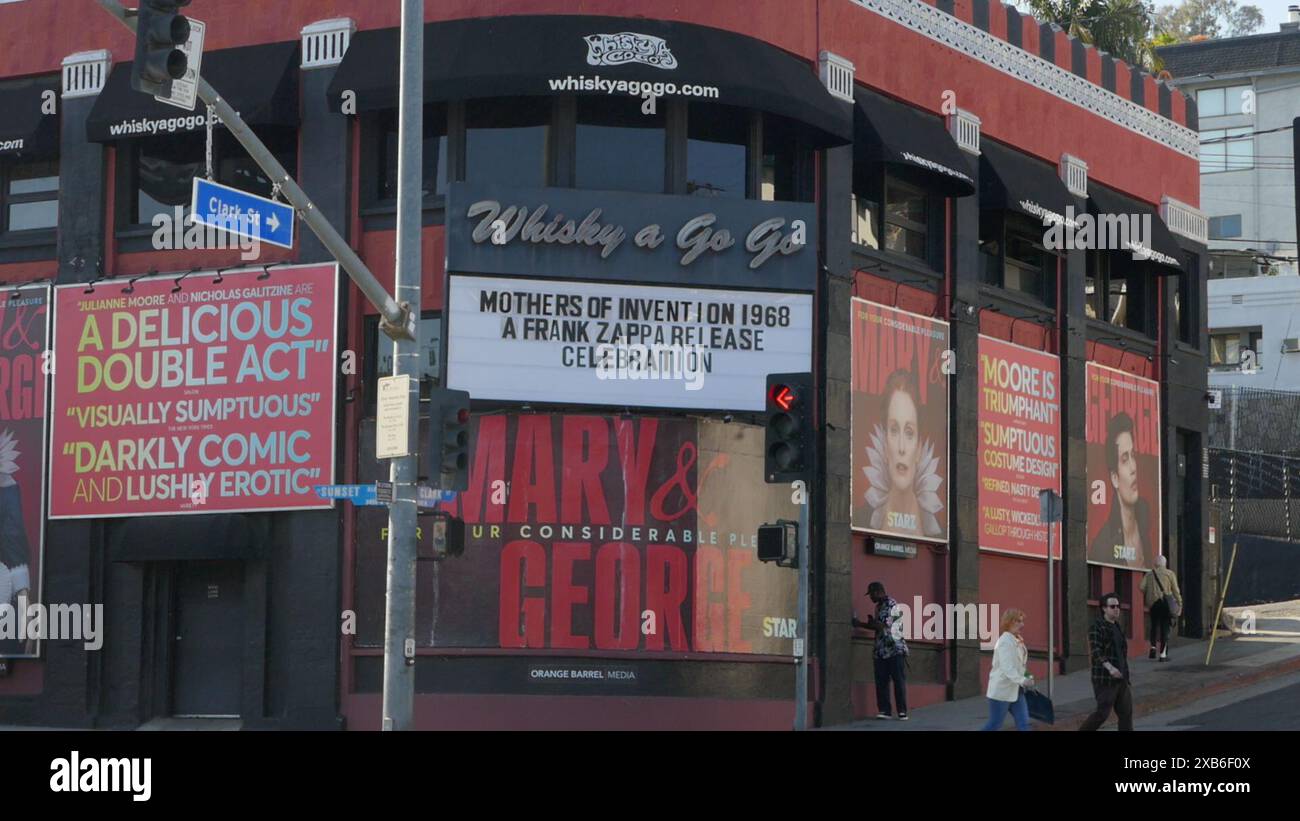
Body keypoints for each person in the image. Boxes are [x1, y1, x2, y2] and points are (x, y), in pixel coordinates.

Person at [863, 369, 943, 538]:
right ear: (884, 445)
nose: (901, 447)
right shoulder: (861, 522)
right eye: (893, 430)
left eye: (909, 432)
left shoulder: (937, 535)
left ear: (919, 449)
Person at [1089, 412, 1152, 568]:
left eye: (1133, 455)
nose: (1133, 467)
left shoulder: (1146, 521)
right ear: (1114, 478)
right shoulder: (1102, 545)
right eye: (1125, 459)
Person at [853, 581, 909, 720]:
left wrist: (872, 624)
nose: (870, 598)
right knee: (881, 681)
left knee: (898, 681)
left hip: (894, 649)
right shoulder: (879, 606)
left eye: (871, 594)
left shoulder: (891, 604)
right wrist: (860, 624)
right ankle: (885, 710)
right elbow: (877, 627)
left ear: (878, 591)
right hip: (881, 650)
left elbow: (883, 626)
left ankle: (902, 711)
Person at [1079, 592, 1134, 731]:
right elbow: (1096, 652)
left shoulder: (1117, 626)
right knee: (1102, 713)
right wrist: (1110, 668)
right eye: (1112, 606)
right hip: (1105, 679)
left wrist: (1124, 674)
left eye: (1118, 606)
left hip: (1121, 678)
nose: (1116, 609)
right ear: (1104, 608)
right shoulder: (1097, 626)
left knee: (1126, 713)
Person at [981, 609, 1034, 731]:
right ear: (1009, 622)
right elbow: (1007, 668)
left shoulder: (1017, 640)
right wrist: (1023, 680)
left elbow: (1020, 666)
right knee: (994, 725)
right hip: (1001, 692)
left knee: (1024, 724)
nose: (1022, 624)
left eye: (1022, 621)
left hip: (1016, 691)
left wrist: (1028, 676)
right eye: (1018, 621)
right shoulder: (1004, 641)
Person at [1141, 555, 1182, 661]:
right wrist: (1179, 603)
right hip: (1165, 604)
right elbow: (1176, 590)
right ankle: (1163, 655)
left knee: (1154, 626)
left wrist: (1149, 594)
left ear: (1155, 564)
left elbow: (1141, 587)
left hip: (1153, 604)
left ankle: (1153, 648)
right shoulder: (1170, 574)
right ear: (1165, 564)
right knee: (1165, 628)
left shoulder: (1149, 574)